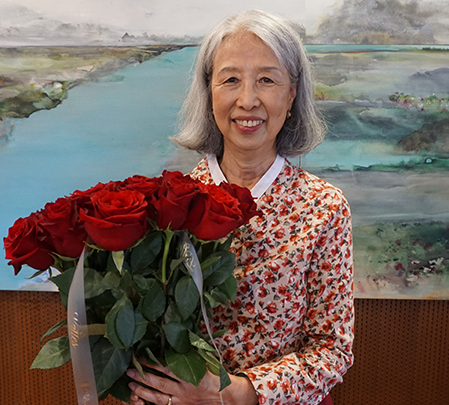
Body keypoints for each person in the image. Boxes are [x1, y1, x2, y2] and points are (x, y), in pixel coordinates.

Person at [126, 9, 354, 405]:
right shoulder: (166, 203)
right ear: (209, 90)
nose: (247, 100)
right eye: (230, 79)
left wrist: (237, 393)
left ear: (292, 92)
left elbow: (332, 351)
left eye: (267, 80)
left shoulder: (324, 208)